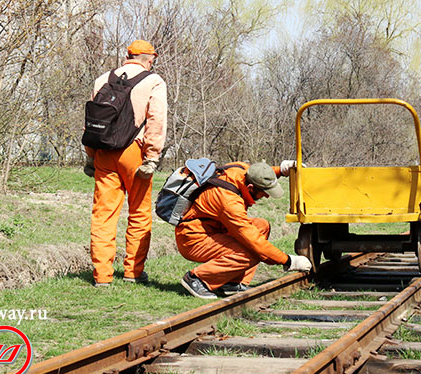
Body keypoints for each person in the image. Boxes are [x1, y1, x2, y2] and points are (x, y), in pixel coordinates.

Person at [83, 40, 168, 287]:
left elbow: (92, 121)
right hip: (135, 152)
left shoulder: (102, 79)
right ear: (149, 58)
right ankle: (133, 272)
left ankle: (102, 276)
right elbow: (156, 121)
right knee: (139, 212)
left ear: (128, 56)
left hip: (104, 153)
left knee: (103, 215)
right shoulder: (153, 81)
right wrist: (152, 156)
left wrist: (90, 155)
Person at [176, 161, 312, 299]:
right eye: (264, 193)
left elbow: (258, 172)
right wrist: (288, 261)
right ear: (251, 187)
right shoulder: (230, 203)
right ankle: (197, 279)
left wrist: (281, 170)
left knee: (261, 226)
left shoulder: (240, 169)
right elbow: (254, 242)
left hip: (214, 229)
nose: (266, 196)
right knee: (252, 251)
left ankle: (232, 282)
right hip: (193, 239)